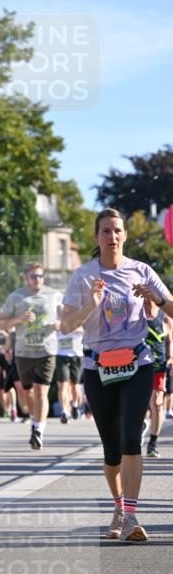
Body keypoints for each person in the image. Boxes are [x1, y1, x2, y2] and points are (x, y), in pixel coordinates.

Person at [60, 207, 173, 541]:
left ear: (125, 236)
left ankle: (132, 517)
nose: (112, 237)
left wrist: (158, 298)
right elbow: (66, 325)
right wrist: (91, 304)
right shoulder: (83, 276)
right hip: (98, 368)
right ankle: (119, 506)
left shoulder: (141, 270)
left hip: (138, 363)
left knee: (131, 440)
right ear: (96, 237)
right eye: (106, 231)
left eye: (117, 231)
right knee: (111, 450)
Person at [0, 262, 63, 449]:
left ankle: (38, 430)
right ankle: (35, 420)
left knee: (41, 391)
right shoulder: (16, 297)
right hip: (24, 351)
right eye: (34, 276)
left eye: (41, 276)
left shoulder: (54, 295)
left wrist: (61, 324)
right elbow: (1, 324)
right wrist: (18, 319)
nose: (38, 280)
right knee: (27, 393)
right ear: (25, 278)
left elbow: (68, 316)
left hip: (47, 350)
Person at [142, 296, 172, 457]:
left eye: (149, 298)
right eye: (143, 299)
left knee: (157, 403)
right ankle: (139, 425)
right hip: (137, 366)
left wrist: (171, 358)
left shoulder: (164, 317)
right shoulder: (136, 316)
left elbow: (169, 339)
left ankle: (152, 443)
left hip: (159, 366)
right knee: (138, 402)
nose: (146, 301)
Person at [55, 323, 84, 424]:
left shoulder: (79, 311)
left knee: (75, 386)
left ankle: (75, 405)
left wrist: (68, 327)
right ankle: (65, 412)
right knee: (63, 385)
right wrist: (54, 327)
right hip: (61, 354)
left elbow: (85, 330)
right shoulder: (56, 310)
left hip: (77, 354)